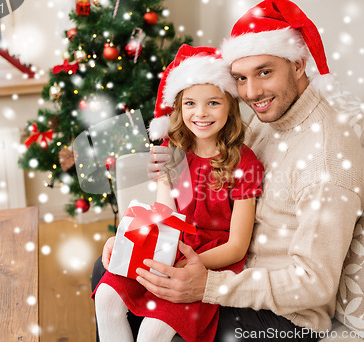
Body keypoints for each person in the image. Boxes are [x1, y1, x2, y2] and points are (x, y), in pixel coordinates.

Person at [93, 44, 264, 342]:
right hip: (169, 244)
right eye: (190, 104)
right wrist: (126, 240)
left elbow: (237, 246)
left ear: (230, 106)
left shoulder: (245, 163)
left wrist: (186, 266)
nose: (200, 113)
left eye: (213, 103)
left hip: (210, 258)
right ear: (179, 107)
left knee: (153, 330)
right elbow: (164, 214)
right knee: (106, 296)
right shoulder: (173, 152)